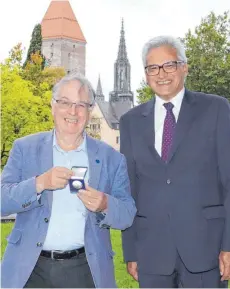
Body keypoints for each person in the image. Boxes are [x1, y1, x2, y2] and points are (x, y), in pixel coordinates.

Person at [1, 73, 136, 288]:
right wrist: (38, 183)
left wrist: (105, 203)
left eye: (81, 105)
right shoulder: (24, 148)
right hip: (30, 269)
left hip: (85, 270)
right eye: (65, 103)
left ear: (91, 110)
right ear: (53, 106)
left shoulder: (112, 158)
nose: (73, 112)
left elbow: (127, 214)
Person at [120, 35, 230, 288]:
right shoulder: (130, 121)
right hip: (152, 251)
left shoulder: (215, 109)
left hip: (206, 249)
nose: (162, 74)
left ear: (184, 67)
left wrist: (228, 245)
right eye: (153, 68)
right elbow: (129, 189)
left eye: (169, 65)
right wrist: (131, 251)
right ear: (146, 74)